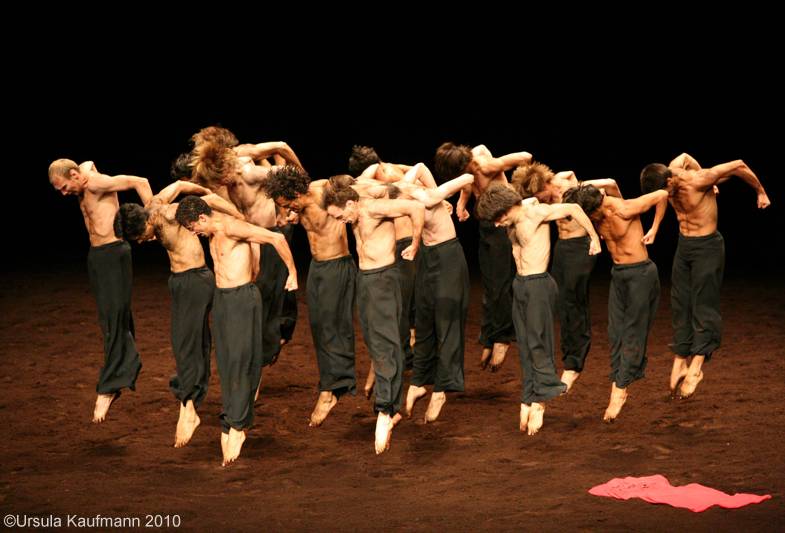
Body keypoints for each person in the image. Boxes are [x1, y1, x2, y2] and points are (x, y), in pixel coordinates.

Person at [175, 195, 297, 466]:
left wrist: (292, 272)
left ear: (203, 218)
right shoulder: (211, 232)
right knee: (228, 362)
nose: (193, 233)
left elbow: (275, 239)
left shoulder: (231, 227)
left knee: (242, 361)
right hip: (223, 299)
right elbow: (206, 197)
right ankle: (231, 417)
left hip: (242, 299)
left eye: (193, 227)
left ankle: (238, 424)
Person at [119, 180, 243, 447]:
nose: (142, 242)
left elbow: (207, 203)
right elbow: (177, 184)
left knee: (184, 344)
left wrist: (233, 212)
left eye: (141, 236)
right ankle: (191, 401)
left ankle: (188, 407)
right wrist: (198, 188)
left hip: (195, 282)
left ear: (147, 224)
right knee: (194, 343)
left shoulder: (169, 213)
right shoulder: (154, 205)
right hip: (180, 283)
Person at [640, 154, 771, 398]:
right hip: (684, 245)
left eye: (665, 192)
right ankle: (681, 359)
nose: (665, 197)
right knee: (680, 302)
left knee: (703, 304)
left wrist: (760, 191)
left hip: (707, 247)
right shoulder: (670, 174)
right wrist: (655, 227)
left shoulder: (699, 180)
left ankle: (697, 364)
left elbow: (739, 165)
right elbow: (684, 157)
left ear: (670, 181)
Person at [476, 184, 601, 434]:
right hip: (520, 285)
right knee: (524, 344)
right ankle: (529, 395)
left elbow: (574, 207)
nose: (499, 224)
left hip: (538, 285)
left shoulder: (536, 213)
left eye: (500, 217)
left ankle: (542, 399)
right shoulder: (518, 214)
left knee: (537, 343)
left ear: (508, 207)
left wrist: (594, 238)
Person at [323, 178, 424, 454]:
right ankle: (389, 405)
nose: (341, 220)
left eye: (340, 214)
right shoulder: (357, 202)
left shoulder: (374, 209)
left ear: (351, 204)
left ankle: (387, 409)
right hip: (366, 279)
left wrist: (415, 244)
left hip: (383, 280)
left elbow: (415, 208)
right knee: (374, 342)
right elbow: (363, 183)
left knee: (385, 344)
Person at [48, 159, 152, 423]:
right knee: (109, 318)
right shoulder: (83, 179)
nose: (63, 194)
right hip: (97, 256)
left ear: (73, 175)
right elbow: (88, 162)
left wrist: (153, 219)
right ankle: (124, 369)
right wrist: (85, 168)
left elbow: (141, 182)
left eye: (63, 187)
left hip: (114, 254)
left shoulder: (96, 183)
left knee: (115, 315)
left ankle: (109, 386)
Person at [191, 126, 304, 366]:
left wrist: (293, 205)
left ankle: (266, 351)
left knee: (268, 294)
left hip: (269, 233)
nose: (221, 184)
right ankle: (262, 345)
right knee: (251, 292)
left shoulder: (250, 170)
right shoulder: (218, 172)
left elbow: (283, 155)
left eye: (222, 180)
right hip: (248, 236)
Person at [511, 162, 624, 391]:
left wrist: (615, 218)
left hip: (581, 248)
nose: (538, 198)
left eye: (538, 194)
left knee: (573, 300)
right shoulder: (545, 193)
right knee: (562, 302)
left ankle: (575, 363)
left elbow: (611, 184)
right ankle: (569, 357)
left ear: (545, 185)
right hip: (562, 249)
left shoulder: (571, 186)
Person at [263, 165, 358, 427]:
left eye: (287, 202)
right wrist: (291, 214)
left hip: (337, 265)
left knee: (333, 325)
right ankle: (331, 385)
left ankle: (334, 388)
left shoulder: (324, 191)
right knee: (318, 326)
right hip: (317, 267)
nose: (286, 208)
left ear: (295, 191)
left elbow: (362, 189)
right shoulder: (295, 206)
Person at [566, 184, 668, 421]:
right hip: (619, 275)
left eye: (592, 214)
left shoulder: (624, 208)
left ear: (599, 204)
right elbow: (607, 183)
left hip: (641, 275)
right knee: (615, 332)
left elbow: (662, 194)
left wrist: (654, 228)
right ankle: (619, 379)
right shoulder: (592, 206)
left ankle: (619, 389)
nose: (590, 219)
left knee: (633, 332)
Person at [434, 142, 532, 371]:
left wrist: (520, 191)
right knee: (488, 286)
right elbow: (467, 183)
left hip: (501, 224)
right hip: (485, 224)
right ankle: (489, 336)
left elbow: (525, 154)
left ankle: (503, 338)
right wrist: (462, 202)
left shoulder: (486, 166)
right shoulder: (468, 168)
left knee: (500, 285)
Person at [390, 165, 474, 423]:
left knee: (446, 322)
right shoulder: (405, 196)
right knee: (424, 318)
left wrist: (459, 202)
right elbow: (420, 166)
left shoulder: (430, 197)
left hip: (448, 257)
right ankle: (419, 381)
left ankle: (442, 389)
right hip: (429, 258)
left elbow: (469, 177)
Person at [350, 145, 418, 371]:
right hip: (400, 242)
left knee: (400, 303)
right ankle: (403, 353)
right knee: (401, 303)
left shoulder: (381, 178)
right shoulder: (389, 172)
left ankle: (402, 356)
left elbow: (416, 173)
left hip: (403, 243)